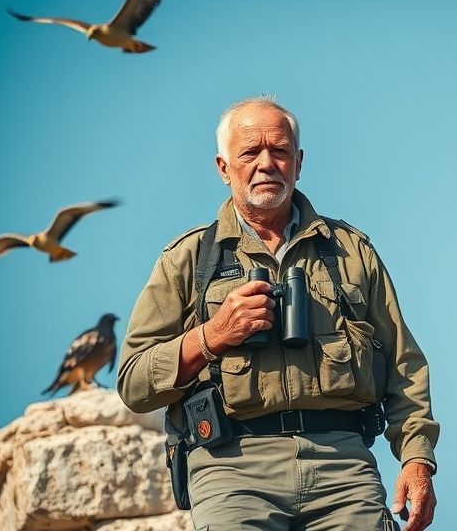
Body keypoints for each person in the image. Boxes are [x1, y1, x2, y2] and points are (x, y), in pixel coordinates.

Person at [118, 97, 439, 531]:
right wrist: (212, 335)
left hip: (344, 469)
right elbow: (134, 382)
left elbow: (404, 366)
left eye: (280, 151)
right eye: (250, 152)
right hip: (232, 471)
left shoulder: (351, 251)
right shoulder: (188, 260)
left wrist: (417, 461)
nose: (267, 163)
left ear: (299, 163)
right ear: (223, 167)